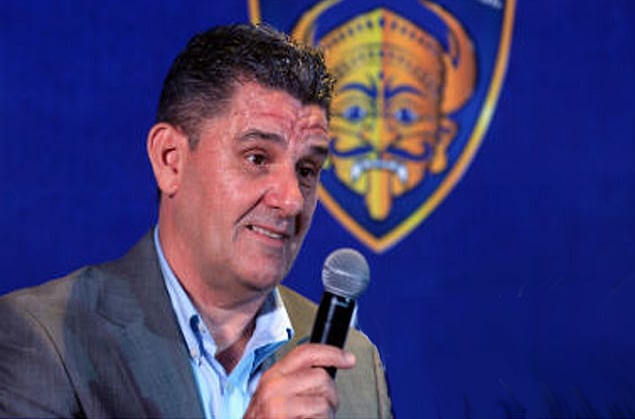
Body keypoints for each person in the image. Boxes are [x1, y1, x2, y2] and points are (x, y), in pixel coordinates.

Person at [0, 23, 391, 418]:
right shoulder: (44, 337)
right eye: (257, 158)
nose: (291, 200)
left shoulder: (355, 368)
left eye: (306, 170)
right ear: (170, 160)